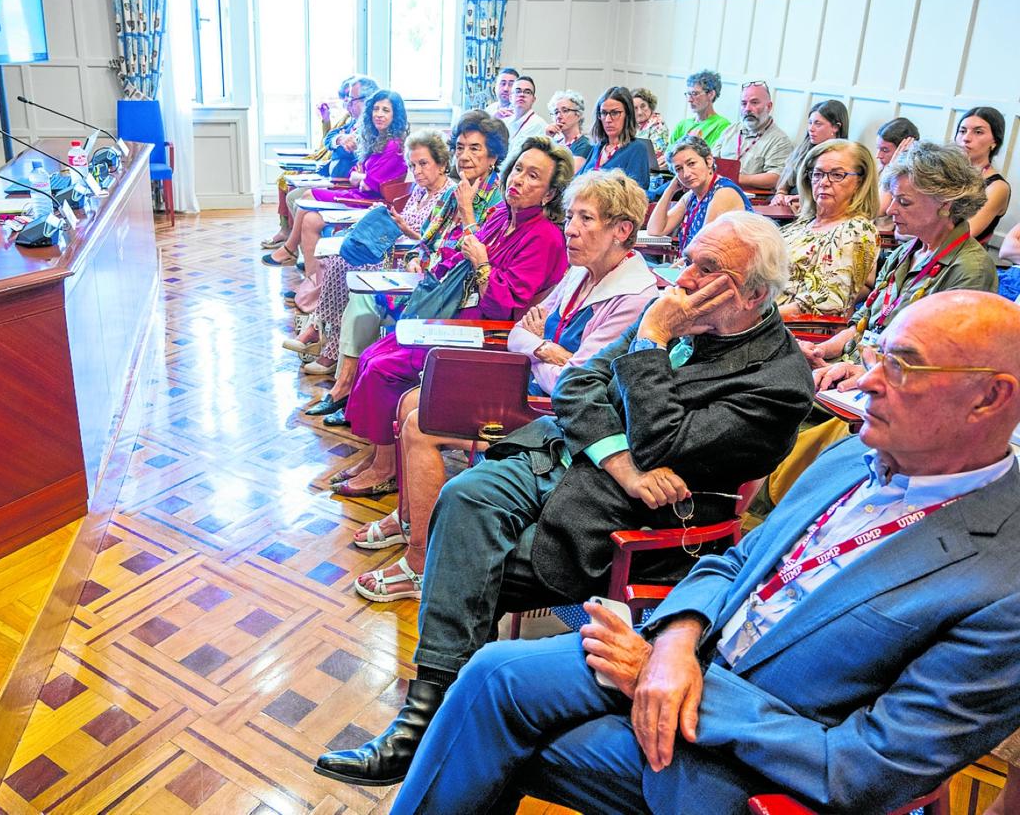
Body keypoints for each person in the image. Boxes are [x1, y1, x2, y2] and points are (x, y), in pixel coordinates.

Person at [390, 290, 1020, 815]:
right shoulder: (856, 456)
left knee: (491, 733)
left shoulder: (1004, 582)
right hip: (685, 655)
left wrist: (677, 683)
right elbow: (732, 561)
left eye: (903, 366)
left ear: (990, 398)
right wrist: (672, 642)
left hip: (752, 754)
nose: (868, 382)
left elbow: (868, 768)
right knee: (493, 674)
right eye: (877, 355)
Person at [314, 211, 816, 785]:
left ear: (751, 294)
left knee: (470, 561)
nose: (684, 280)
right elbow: (581, 383)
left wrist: (652, 342)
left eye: (707, 269)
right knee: (465, 495)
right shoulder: (678, 314)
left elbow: (663, 442)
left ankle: (432, 726)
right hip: (574, 461)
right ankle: (435, 718)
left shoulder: (776, 381)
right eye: (689, 261)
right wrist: (622, 462)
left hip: (634, 521)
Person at [352, 170, 660, 602]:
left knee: (423, 422)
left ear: (621, 230)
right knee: (409, 402)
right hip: (531, 383)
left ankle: (423, 563)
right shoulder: (581, 270)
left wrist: (541, 348)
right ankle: (409, 523)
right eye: (570, 215)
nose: (569, 228)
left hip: (559, 417)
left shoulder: (633, 297)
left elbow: (575, 384)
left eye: (585, 219)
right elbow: (521, 332)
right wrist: (545, 348)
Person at [330, 136, 571, 498]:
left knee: (385, 368)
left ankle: (384, 469)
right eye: (518, 168)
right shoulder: (504, 215)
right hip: (460, 320)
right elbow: (461, 254)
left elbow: (504, 305)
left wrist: (479, 251)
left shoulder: (545, 237)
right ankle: (382, 458)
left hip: (491, 338)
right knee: (374, 352)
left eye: (534, 176)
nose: (519, 179)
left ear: (550, 194)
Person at [316, 111, 508, 427]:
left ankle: (351, 391)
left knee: (365, 298)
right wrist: (415, 259)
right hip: (428, 281)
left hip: (455, 299)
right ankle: (346, 387)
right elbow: (427, 244)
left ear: (494, 155)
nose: (465, 156)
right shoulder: (460, 189)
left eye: (475, 148)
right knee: (359, 294)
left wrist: (465, 212)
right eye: (460, 147)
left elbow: (477, 258)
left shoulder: (495, 200)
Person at [805, 141, 998, 392]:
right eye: (893, 198)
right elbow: (865, 321)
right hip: (853, 370)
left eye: (904, 202)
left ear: (945, 204)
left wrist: (868, 371)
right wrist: (824, 348)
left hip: (899, 390)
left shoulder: (971, 269)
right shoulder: (906, 251)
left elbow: (941, 359)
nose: (891, 209)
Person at [288, 130, 455, 380]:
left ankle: (322, 337)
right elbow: (406, 225)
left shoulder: (448, 195)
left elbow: (430, 241)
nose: (417, 171)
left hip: (411, 263)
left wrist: (401, 226)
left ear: (442, 164)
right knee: (342, 256)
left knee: (349, 264)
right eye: (413, 165)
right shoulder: (421, 191)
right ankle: (322, 334)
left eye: (423, 164)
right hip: (394, 251)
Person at [264, 89, 407, 267]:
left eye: (385, 110)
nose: (379, 114)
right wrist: (359, 176)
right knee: (306, 206)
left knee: (308, 196)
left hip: (371, 203)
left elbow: (368, 185)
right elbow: (354, 171)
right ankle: (305, 269)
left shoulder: (393, 144)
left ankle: (290, 248)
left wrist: (361, 177)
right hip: (359, 194)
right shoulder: (375, 137)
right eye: (376, 109)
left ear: (396, 115)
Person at [261, 75, 371, 249]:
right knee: (289, 184)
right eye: (346, 98)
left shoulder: (368, 126)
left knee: (296, 194)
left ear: (366, 100)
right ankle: (295, 245)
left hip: (341, 185)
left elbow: (343, 151)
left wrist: (339, 143)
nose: (347, 103)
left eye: (350, 99)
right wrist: (339, 137)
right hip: (330, 175)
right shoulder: (351, 120)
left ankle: (295, 248)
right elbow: (329, 139)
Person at [777, 139, 880, 317]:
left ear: (860, 182)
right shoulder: (804, 222)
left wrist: (756, 320)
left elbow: (826, 303)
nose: (824, 182)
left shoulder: (856, 229)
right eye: (817, 174)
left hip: (789, 328)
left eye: (837, 175)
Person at [647, 135, 752, 249]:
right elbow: (655, 230)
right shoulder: (691, 196)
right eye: (679, 169)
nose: (686, 173)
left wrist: (679, 265)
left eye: (691, 164)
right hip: (696, 262)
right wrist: (670, 190)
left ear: (709, 160)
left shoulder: (723, 193)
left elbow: (704, 247)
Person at [715, 80, 794, 190]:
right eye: (743, 103)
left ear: (769, 106)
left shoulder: (780, 141)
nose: (747, 109)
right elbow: (711, 161)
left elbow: (776, 177)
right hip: (718, 189)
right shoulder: (730, 130)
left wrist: (735, 178)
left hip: (751, 197)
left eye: (754, 102)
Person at [771, 99, 848, 207]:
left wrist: (802, 199)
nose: (811, 129)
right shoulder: (803, 149)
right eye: (810, 123)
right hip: (789, 205)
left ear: (836, 127)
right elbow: (784, 186)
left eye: (818, 124)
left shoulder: (844, 156)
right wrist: (780, 195)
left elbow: (837, 196)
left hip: (816, 208)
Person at [954, 106, 1011, 245]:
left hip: (961, 261)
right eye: (962, 131)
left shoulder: (997, 187)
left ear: (994, 142)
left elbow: (963, 234)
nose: (966, 138)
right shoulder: (946, 172)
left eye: (978, 132)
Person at [577, 87, 650, 189]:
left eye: (615, 113)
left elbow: (636, 195)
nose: (607, 119)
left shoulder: (637, 149)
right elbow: (575, 183)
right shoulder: (598, 147)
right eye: (603, 113)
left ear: (628, 115)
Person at [668, 70, 730, 150]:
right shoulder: (682, 125)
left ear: (711, 94)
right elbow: (668, 155)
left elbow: (711, 158)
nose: (689, 100)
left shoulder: (722, 126)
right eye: (688, 94)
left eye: (695, 94)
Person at [500, 75, 547, 165]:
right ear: (510, 97)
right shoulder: (504, 123)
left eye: (527, 92)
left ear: (533, 99)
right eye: (518, 91)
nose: (522, 95)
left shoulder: (539, 124)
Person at [543, 89, 591, 172]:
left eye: (565, 111)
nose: (559, 116)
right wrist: (548, 139)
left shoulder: (584, 145)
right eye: (556, 112)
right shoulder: (555, 142)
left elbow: (569, 175)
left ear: (578, 115)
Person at [632, 87, 670, 169]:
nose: (639, 112)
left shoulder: (659, 126)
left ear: (650, 106)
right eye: (635, 108)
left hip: (652, 171)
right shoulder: (633, 124)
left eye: (643, 106)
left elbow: (654, 158)